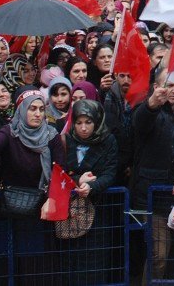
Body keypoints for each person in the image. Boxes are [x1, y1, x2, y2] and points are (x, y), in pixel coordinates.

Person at [132, 69, 174, 281]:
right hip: (152, 195)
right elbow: (139, 125)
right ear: (156, 87)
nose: (173, 90)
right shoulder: (147, 107)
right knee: (158, 254)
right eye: (169, 85)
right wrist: (151, 105)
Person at [57, 99, 120, 285]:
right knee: (70, 262)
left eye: (88, 122)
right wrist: (77, 181)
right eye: (78, 123)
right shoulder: (66, 139)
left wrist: (91, 187)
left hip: (97, 210)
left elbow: (110, 173)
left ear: (97, 121)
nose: (83, 128)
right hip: (69, 211)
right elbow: (59, 169)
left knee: (94, 264)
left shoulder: (108, 140)